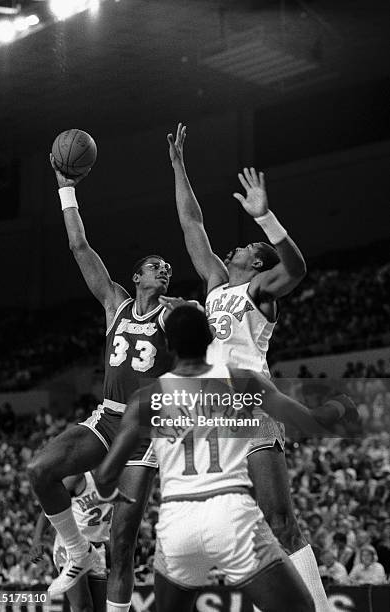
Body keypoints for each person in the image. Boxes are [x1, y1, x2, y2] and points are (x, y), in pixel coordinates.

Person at [94, 307, 357, 612]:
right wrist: (340, 404)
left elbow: (104, 476)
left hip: (177, 523)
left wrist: (110, 495)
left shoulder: (147, 398)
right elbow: (311, 421)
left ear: (168, 347)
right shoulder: (241, 379)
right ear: (210, 338)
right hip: (231, 516)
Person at [166, 123, 329, 610]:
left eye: (243, 248)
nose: (231, 249)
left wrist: (268, 221)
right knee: (243, 526)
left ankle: (318, 606)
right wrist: (178, 168)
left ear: (256, 262)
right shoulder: (216, 284)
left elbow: (296, 269)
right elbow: (192, 226)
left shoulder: (259, 291)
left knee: (279, 518)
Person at [27, 156, 183, 611]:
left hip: (148, 430)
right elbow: (79, 247)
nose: (164, 270)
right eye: (156, 266)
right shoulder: (115, 302)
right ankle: (76, 550)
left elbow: (200, 340)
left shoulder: (174, 311)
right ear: (136, 277)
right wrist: (66, 189)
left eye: (167, 268)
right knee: (40, 470)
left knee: (123, 541)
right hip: (107, 418)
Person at [31, 472, 113, 612]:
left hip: (97, 548)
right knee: (83, 607)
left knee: (100, 609)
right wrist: (37, 538)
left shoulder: (120, 477)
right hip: (71, 546)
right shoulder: (79, 477)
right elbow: (51, 505)